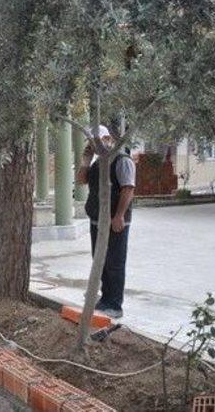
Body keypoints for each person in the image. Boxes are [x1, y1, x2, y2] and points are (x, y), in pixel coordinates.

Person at [76, 125, 136, 319]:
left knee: (115, 262)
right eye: (90, 142)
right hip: (97, 220)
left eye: (96, 141)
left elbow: (128, 189)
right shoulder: (98, 162)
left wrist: (119, 216)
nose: (92, 145)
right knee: (100, 259)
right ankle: (106, 298)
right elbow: (81, 180)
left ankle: (115, 304)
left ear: (108, 139)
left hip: (115, 221)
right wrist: (85, 160)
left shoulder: (122, 160)